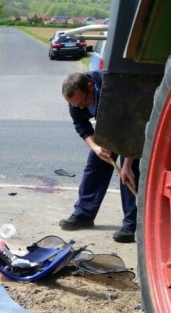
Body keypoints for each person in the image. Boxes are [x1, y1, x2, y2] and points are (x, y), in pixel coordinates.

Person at [59, 71, 140, 243]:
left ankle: (132, 225)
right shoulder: (75, 98)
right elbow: (81, 125)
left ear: (90, 86)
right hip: (108, 128)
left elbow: (131, 126)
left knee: (130, 173)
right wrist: (96, 148)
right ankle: (84, 214)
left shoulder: (113, 89)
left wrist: (126, 165)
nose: (81, 107)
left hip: (133, 126)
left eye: (83, 103)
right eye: (76, 105)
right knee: (95, 166)